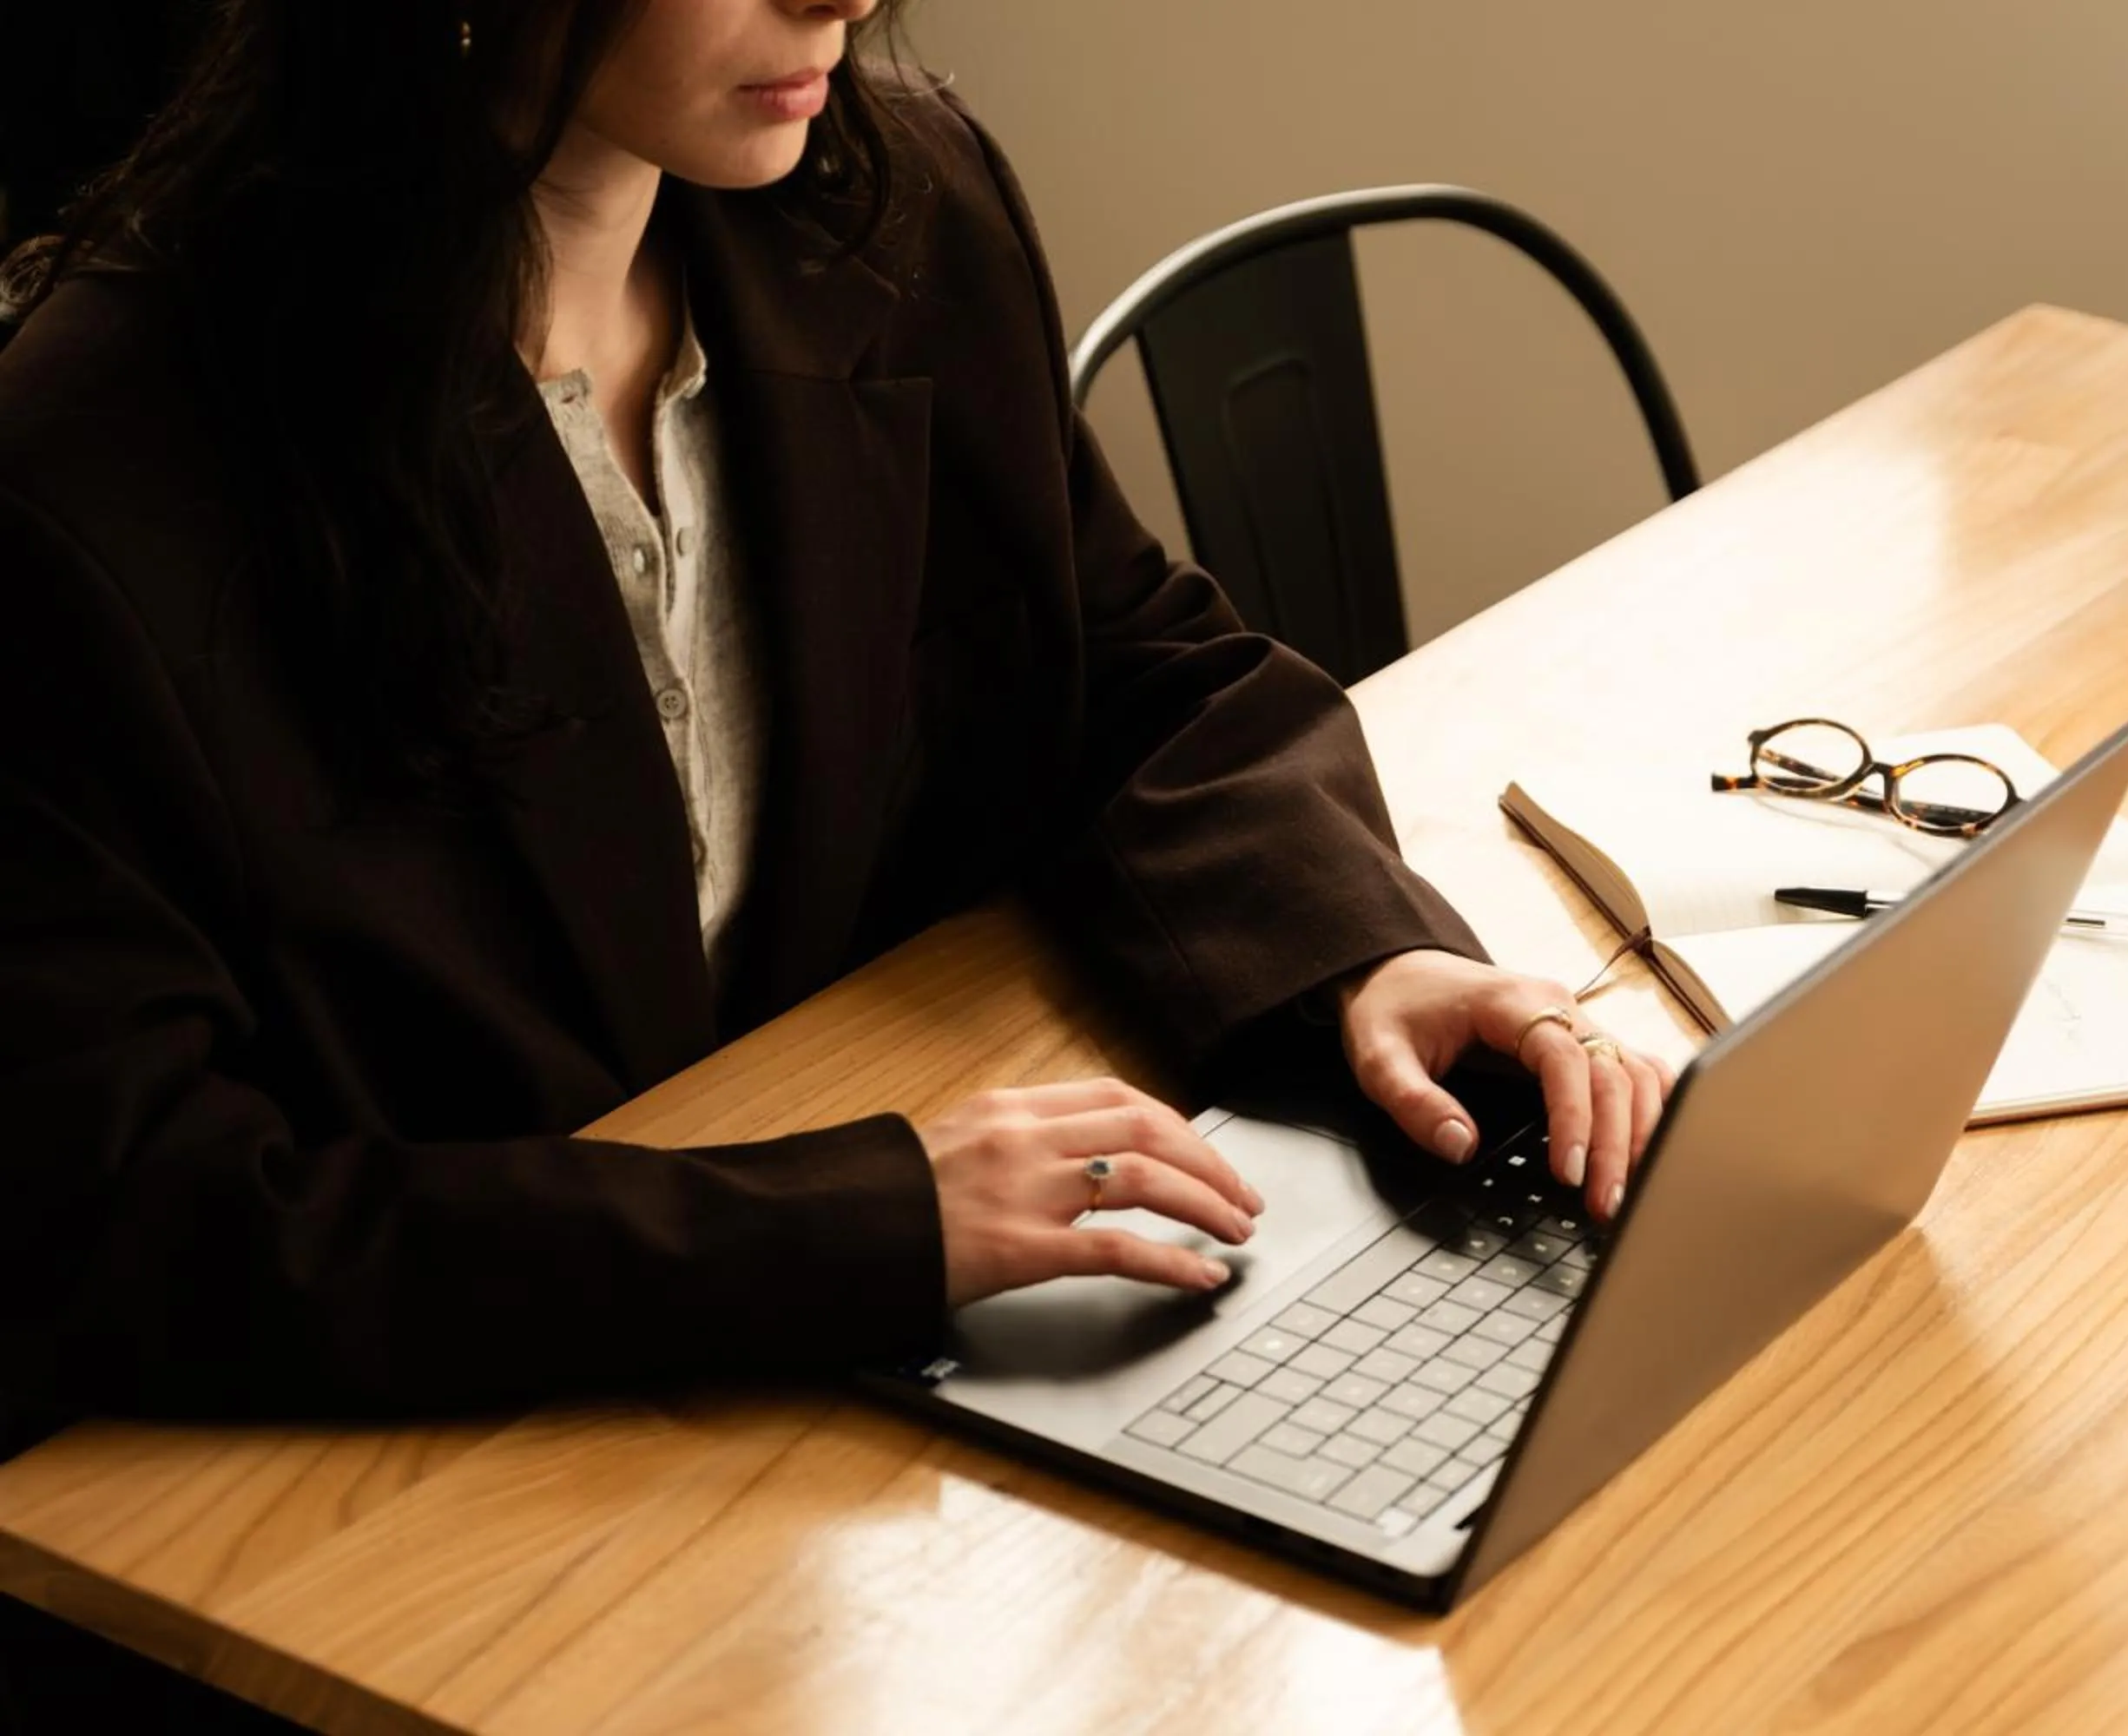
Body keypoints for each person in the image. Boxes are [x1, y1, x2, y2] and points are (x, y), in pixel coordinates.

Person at [0, 0, 1677, 1456]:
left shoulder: (894, 209)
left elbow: (1121, 663)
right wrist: (858, 1225)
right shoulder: (95, 463)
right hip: (409, 1478)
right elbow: (134, 1222)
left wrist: (1362, 958)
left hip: (837, 1440)